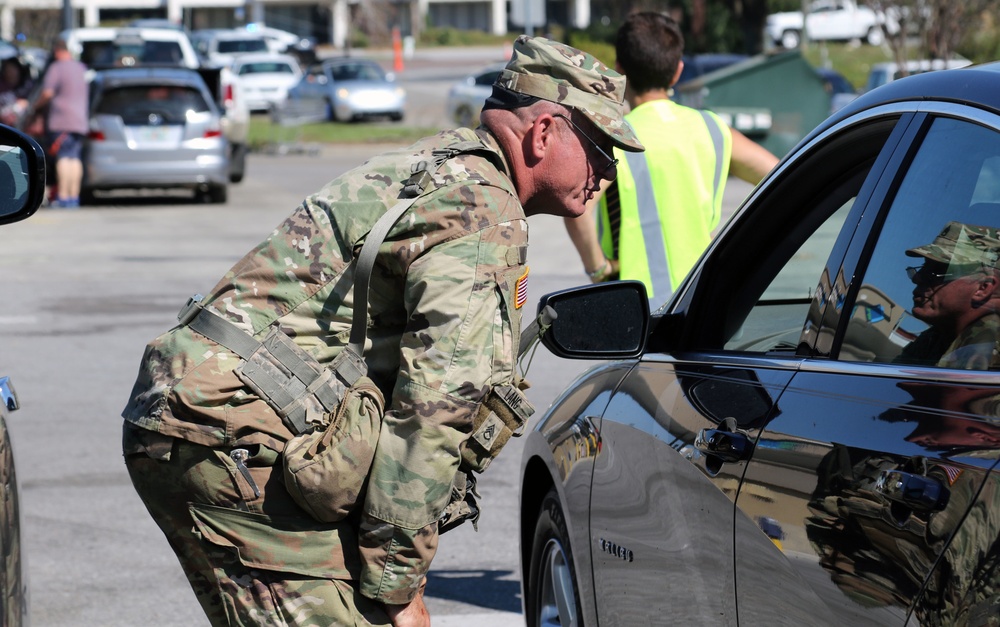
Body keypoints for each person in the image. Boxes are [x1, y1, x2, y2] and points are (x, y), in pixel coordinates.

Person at [120, 35, 642, 627]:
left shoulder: (440, 167)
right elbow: (436, 408)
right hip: (230, 436)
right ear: (543, 132)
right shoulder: (483, 211)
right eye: (600, 149)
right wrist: (397, 585)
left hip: (202, 418)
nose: (608, 172)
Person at [564, 11, 779, 306]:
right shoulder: (713, 129)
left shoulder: (617, 137)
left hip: (637, 307)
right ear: (677, 71)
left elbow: (577, 207)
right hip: (702, 300)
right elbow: (781, 177)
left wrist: (598, 268)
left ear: (619, 70)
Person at [896, 221, 1000, 369]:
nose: (917, 277)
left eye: (939, 269)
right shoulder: (937, 336)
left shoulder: (988, 343)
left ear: (983, 288)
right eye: (925, 266)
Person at [30, 36, 88, 209]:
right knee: (74, 157)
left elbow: (47, 93)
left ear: (56, 51)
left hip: (62, 120)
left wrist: (35, 106)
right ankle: (73, 196)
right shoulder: (81, 68)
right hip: (80, 120)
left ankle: (62, 196)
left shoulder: (56, 68)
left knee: (63, 157)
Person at [0, 57, 34, 127]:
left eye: (13, 69)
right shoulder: (2, 85)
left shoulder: (26, 87)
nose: (10, 73)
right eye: (7, 69)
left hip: (19, 126)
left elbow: (29, 104)